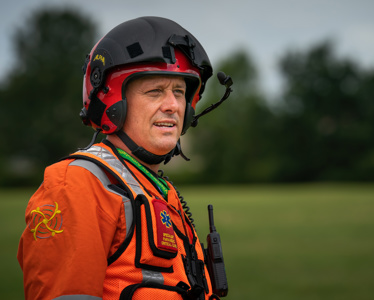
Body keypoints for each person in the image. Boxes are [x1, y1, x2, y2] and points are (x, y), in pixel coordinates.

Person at [17, 16, 231, 300]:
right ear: (112, 101)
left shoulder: (155, 188)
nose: (172, 106)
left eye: (179, 92)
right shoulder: (78, 186)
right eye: (155, 91)